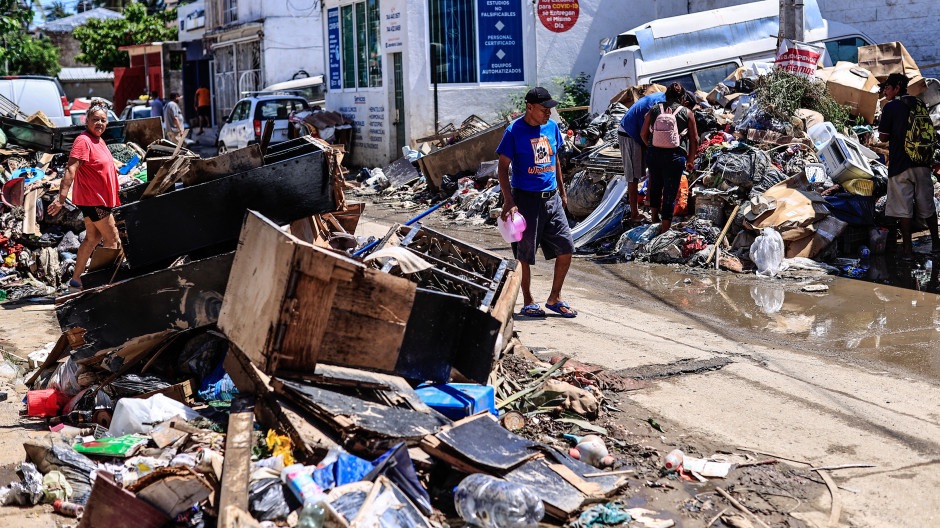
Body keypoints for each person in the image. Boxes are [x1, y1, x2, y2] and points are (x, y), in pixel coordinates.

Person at [497, 87, 577, 318]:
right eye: (543, 110)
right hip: (525, 200)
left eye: (550, 110)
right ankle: (529, 301)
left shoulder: (552, 127)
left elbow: (556, 160)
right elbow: (503, 169)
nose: (548, 114)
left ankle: (555, 297)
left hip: (551, 198)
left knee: (566, 248)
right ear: (529, 107)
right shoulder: (513, 132)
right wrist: (509, 200)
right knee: (524, 254)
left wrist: (562, 192)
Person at [46, 104, 121, 292]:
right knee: (112, 240)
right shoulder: (83, 140)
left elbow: (99, 164)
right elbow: (71, 169)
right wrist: (60, 199)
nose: (99, 123)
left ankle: (76, 281)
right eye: (95, 119)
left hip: (98, 199)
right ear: (86, 121)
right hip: (94, 200)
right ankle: (103, 283)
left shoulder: (98, 140)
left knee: (92, 238)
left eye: (103, 120)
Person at [877, 73, 940, 256]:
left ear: (897, 87)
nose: (886, 92)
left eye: (888, 88)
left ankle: (907, 250)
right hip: (922, 163)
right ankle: (936, 245)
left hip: (900, 166)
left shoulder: (891, 107)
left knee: (903, 209)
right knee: (927, 205)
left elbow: (882, 137)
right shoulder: (919, 103)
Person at [640, 83, 698, 234]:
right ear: (683, 97)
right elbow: (695, 139)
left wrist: (652, 146)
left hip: (654, 155)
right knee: (670, 192)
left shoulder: (653, 109)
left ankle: (654, 219)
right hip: (675, 156)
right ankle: (665, 229)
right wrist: (690, 159)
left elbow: (643, 134)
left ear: (666, 95)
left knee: (655, 185)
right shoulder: (687, 113)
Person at [617, 90, 666, 222]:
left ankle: (649, 202)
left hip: (637, 130)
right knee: (633, 175)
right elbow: (648, 125)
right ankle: (634, 214)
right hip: (630, 132)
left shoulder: (663, 99)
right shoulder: (661, 103)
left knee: (652, 168)